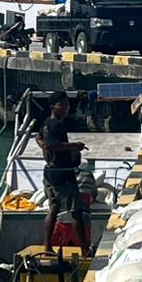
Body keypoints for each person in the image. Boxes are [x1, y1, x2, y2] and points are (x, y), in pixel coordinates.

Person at [41, 92, 90, 253]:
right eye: (61, 105)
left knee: (53, 209)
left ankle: (47, 246)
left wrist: (44, 149)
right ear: (52, 107)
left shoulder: (47, 124)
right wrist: (74, 146)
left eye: (67, 105)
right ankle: (84, 250)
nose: (66, 109)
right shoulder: (56, 125)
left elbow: (39, 138)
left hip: (49, 172)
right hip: (62, 175)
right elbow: (53, 145)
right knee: (76, 211)